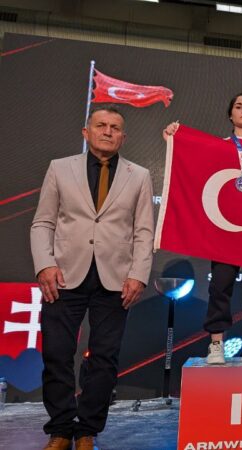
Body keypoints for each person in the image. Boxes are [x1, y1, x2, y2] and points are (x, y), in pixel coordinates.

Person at [31, 106, 154, 450]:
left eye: (115, 127)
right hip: (63, 276)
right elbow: (43, 222)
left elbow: (144, 231)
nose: (107, 131)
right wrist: (44, 265)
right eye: (101, 125)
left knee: (104, 358)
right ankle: (60, 429)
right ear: (86, 132)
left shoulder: (139, 175)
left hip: (116, 280)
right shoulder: (60, 168)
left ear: (123, 137)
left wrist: (138, 274)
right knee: (57, 353)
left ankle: (87, 429)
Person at [162, 93, 242, 365]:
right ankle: (216, 344)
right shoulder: (217, 147)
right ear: (230, 114)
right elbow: (190, 160)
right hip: (225, 232)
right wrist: (175, 137)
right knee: (220, 287)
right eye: (239, 106)